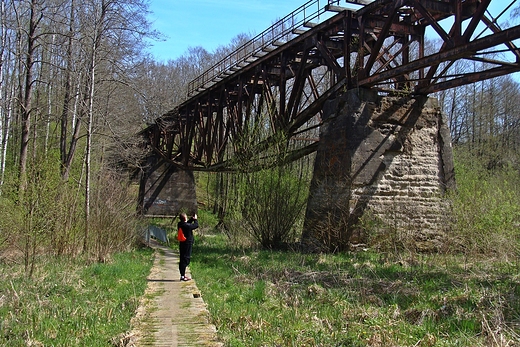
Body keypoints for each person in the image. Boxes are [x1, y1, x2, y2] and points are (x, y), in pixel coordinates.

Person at [177, 212, 198, 281]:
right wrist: (195, 219)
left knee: (182, 258)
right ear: (185, 218)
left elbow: (187, 223)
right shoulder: (186, 226)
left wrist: (191, 219)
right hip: (187, 244)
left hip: (182, 244)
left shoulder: (180, 224)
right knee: (186, 259)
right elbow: (196, 225)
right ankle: (183, 276)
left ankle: (182, 275)